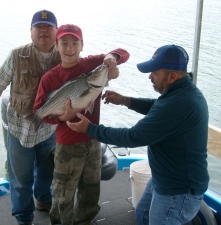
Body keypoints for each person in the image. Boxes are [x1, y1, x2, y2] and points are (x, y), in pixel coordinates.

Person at [66, 44, 210, 225]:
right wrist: (125, 100)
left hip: (178, 190)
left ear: (172, 76)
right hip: (164, 178)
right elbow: (157, 107)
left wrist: (91, 129)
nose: (150, 77)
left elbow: (133, 137)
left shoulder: (178, 104)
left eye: (154, 73)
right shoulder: (181, 92)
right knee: (142, 214)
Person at [33, 24, 130, 225]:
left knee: (91, 191)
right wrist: (61, 118)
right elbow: (41, 113)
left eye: (75, 43)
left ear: (82, 45)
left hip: (93, 141)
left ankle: (86, 222)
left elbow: (124, 53)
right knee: (63, 195)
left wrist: (112, 58)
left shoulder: (90, 65)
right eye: (64, 44)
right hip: (67, 145)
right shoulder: (49, 78)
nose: (70, 49)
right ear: (56, 47)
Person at [0, 10, 61, 225]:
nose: (44, 31)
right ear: (31, 31)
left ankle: (43, 200)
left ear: (56, 31)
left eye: (49, 27)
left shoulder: (65, 55)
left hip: (49, 131)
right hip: (19, 130)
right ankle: (24, 219)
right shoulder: (16, 55)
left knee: (47, 172)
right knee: (20, 181)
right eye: (39, 27)